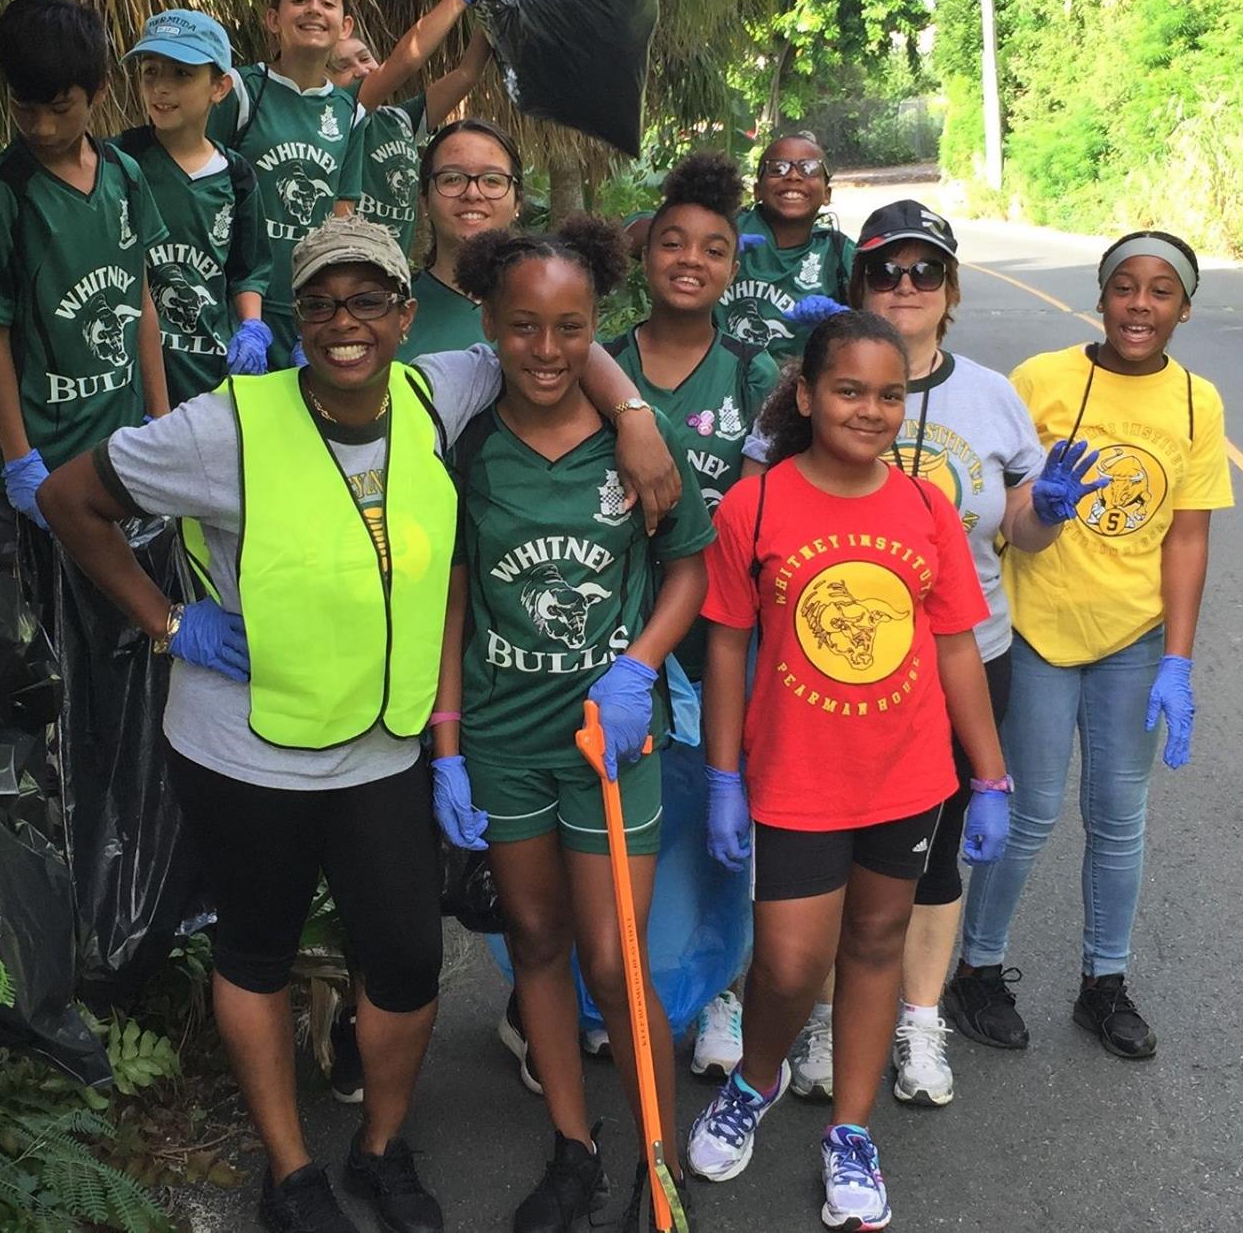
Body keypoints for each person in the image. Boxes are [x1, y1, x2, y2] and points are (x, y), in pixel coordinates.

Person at [37, 216, 680, 1233]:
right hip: (243, 748)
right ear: (296, 319)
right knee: (253, 952)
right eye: (322, 304)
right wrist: (165, 621)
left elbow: (553, 334)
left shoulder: (435, 394)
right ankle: (290, 1172)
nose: (345, 324)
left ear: (403, 317)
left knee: (406, 961)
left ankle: (380, 1146)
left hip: (380, 749)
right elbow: (70, 497)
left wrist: (634, 414)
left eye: (367, 301)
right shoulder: (225, 427)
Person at [689, 311, 1011, 1231]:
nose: (871, 410)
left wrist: (989, 775)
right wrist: (722, 775)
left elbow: (955, 647)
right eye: (849, 390)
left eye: (889, 395)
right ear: (806, 394)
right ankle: (756, 1077)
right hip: (794, 778)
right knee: (790, 962)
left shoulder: (923, 509)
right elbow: (725, 649)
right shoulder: (756, 506)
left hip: (907, 777)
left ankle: (852, 1131)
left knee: (874, 946)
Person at [776, 202, 1096, 1108]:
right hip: (836, 665)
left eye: (925, 272)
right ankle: (833, 1023)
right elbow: (770, 512)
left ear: (951, 289)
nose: (905, 287)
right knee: (837, 854)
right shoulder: (818, 381)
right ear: (858, 285)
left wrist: (1047, 510)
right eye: (886, 271)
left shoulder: (992, 395)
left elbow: (1023, 533)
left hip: (965, 656)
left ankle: (919, 1022)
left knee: (935, 852)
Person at [430, 220, 710, 1232]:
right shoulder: (465, 450)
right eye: (521, 328)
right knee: (536, 940)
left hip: (610, 743)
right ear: (488, 325)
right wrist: (448, 746)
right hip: (505, 744)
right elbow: (455, 600)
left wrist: (637, 667)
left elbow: (689, 566)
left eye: (569, 328)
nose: (545, 351)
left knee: (612, 959)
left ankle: (656, 1164)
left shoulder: (636, 440)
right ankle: (573, 1146)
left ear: (597, 329)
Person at [951, 231, 1231, 1061]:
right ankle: (978, 969)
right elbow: (998, 503)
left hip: (1134, 639)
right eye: (1125, 288)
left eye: (1160, 292)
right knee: (1029, 813)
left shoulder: (1196, 403)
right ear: (1101, 294)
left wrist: (1176, 658)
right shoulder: (1040, 381)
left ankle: (1103, 984)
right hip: (1037, 629)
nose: (1140, 306)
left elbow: (1186, 538)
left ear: (1184, 307)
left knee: (1119, 819)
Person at [604, 152, 780, 1085]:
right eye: (671, 241)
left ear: (731, 269)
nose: (690, 259)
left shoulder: (754, 378)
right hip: (612, 634)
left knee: (721, 818)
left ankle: (719, 986)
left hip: (720, 640)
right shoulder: (601, 366)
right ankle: (608, 991)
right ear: (643, 255)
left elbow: (765, 515)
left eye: (713, 248)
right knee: (625, 823)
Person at [0, 0, 172, 568]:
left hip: (122, 449)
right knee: (49, 638)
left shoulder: (125, 177)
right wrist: (18, 462)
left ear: (99, 91)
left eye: (60, 107)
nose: (43, 126)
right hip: (45, 460)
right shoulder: (1, 194)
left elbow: (141, 302)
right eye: (25, 108)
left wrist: (160, 418)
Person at [211, 0, 492, 365]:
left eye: (327, 1)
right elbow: (406, 59)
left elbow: (341, 217)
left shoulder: (369, 118)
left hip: (320, 306)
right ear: (273, 18)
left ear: (344, 23)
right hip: (244, 307)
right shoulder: (245, 91)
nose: (313, 9)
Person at [110, 8, 273, 403]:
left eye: (181, 74)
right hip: (130, 380)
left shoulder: (236, 176)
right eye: (151, 72)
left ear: (219, 87)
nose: (161, 88)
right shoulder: (116, 163)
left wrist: (252, 329)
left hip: (208, 374)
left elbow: (247, 270)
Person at [330, 0, 494, 255]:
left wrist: (491, 7)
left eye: (365, 58)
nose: (362, 69)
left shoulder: (400, 120)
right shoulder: (337, 115)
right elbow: (405, 61)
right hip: (350, 270)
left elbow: (466, 74)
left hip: (395, 272)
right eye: (343, 66)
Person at [714, 132, 853, 363]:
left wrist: (844, 320)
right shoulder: (729, 227)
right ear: (757, 190)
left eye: (809, 168)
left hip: (795, 386)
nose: (793, 176)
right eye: (777, 168)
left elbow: (880, 311)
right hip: (720, 379)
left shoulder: (837, 251)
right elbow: (642, 232)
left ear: (827, 194)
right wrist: (706, 244)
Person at [397, 119, 525, 362]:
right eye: (452, 179)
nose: (473, 194)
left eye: (492, 180)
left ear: (517, 201)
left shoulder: (552, 302)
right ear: (424, 199)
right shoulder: (391, 314)